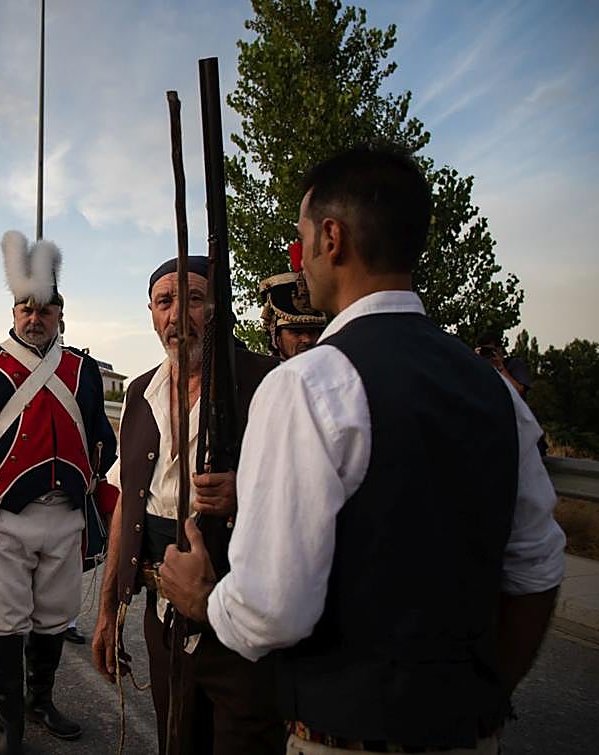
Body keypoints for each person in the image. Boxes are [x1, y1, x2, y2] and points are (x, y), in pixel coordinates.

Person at [159, 147, 566, 754]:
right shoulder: (497, 392)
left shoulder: (306, 383)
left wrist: (204, 598)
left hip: (344, 732)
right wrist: (482, 693)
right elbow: (536, 568)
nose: (299, 264)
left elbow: (272, 611)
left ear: (331, 238)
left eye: (299, 242)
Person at [0, 231, 118, 754]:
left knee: (55, 616)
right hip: (5, 518)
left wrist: (101, 490)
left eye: (46, 310)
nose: (35, 318)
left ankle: (41, 700)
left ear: (61, 314)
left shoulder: (81, 371)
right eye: (25, 309)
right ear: (12, 312)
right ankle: (7, 720)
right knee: (6, 621)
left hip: (66, 516)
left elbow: (101, 438)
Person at [91, 256, 282, 755]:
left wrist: (248, 492)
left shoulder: (267, 384)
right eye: (165, 302)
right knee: (176, 741)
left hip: (242, 621)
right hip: (162, 616)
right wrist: (108, 610)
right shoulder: (139, 393)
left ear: (219, 309)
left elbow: (310, 502)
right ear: (151, 314)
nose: (178, 316)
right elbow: (124, 508)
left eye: (194, 299)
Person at [259, 270, 327, 359]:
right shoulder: (261, 372)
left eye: (312, 332)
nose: (307, 339)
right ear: (275, 335)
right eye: (297, 332)